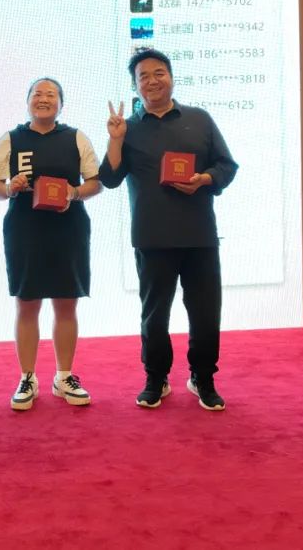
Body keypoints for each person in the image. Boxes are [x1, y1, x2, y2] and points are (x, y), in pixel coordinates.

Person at [99, 48, 238, 412]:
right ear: (135, 86)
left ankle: (203, 378)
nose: (152, 81)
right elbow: (110, 178)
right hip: (152, 236)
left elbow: (227, 166)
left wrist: (205, 179)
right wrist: (115, 139)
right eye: (143, 76)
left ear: (172, 77)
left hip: (199, 236)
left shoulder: (199, 119)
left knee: (205, 313)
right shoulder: (128, 128)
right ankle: (156, 378)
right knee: (154, 315)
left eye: (158, 73)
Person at [0, 78, 102, 411]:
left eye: (51, 95)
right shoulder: (11, 139)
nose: (44, 99)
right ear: (27, 101)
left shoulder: (76, 137)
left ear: (61, 104)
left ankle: (64, 376)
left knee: (66, 304)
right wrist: (9, 188)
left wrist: (74, 193)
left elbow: (96, 182)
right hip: (25, 229)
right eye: (37, 94)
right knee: (27, 304)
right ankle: (27, 378)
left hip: (69, 229)